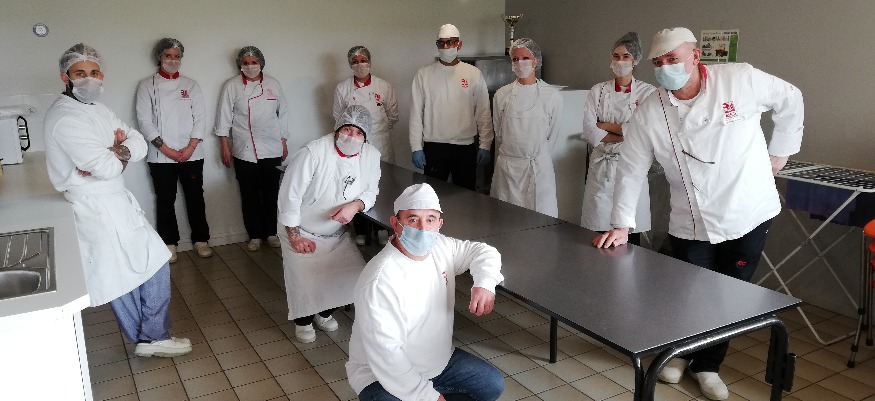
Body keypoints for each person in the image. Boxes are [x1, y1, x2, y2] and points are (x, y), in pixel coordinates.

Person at [593, 27, 804, 400]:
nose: (665, 68)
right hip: (691, 218)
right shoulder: (650, 111)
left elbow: (791, 98)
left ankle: (708, 365)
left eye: (673, 59)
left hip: (749, 211)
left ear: (695, 56)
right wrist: (621, 224)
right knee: (686, 293)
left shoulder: (739, 79)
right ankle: (679, 354)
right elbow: (631, 168)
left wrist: (781, 151)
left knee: (728, 295)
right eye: (659, 62)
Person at [44, 43, 191, 357]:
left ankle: (150, 337)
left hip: (114, 199)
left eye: (94, 72)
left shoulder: (99, 109)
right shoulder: (65, 117)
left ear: (102, 75)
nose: (89, 79)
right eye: (80, 73)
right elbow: (107, 167)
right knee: (120, 276)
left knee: (147, 263)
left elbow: (138, 142)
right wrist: (115, 154)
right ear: (65, 77)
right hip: (95, 206)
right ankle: (151, 338)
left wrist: (115, 152)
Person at [346, 183, 506, 401]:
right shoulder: (380, 280)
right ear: (395, 223)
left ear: (440, 224)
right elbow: (387, 356)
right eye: (413, 219)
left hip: (437, 363)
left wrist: (485, 283)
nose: (422, 228)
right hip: (380, 374)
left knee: (491, 385)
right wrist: (427, 396)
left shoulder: (441, 246)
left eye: (430, 219)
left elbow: (483, 251)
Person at [277, 105, 381, 344]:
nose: (352, 137)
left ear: (366, 137)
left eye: (359, 133)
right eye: (347, 129)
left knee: (350, 276)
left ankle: (324, 314)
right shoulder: (313, 153)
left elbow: (371, 191)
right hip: (301, 230)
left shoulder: (371, 156)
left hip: (335, 233)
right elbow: (289, 195)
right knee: (306, 283)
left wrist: (355, 205)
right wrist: (295, 235)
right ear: (337, 129)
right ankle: (303, 322)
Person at [136, 38, 212, 263]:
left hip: (192, 153)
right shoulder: (147, 85)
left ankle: (201, 240)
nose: (173, 60)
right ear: (159, 57)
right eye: (168, 56)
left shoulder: (191, 85)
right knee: (165, 199)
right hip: (161, 156)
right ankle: (169, 243)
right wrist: (166, 149)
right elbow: (144, 121)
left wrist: (190, 147)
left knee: (195, 197)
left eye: (177, 56)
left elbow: (200, 118)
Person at [580, 32, 656, 245]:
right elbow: (590, 130)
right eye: (616, 56)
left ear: (636, 60)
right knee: (598, 229)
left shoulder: (648, 93)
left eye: (626, 56)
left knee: (629, 232)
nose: (620, 61)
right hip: (602, 167)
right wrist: (626, 131)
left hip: (631, 165)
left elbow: (643, 131)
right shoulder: (598, 91)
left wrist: (605, 126)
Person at [215, 46, 289, 251]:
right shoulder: (232, 86)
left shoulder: (273, 84)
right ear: (239, 65)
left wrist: (283, 141)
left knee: (271, 193)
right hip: (244, 148)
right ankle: (254, 235)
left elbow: (282, 114)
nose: (250, 66)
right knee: (249, 195)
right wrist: (224, 146)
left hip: (272, 147)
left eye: (254, 62)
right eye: (245, 63)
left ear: (261, 63)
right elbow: (223, 116)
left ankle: (272, 232)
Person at [410, 23, 493, 191]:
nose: (446, 47)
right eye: (441, 43)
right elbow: (416, 113)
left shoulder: (472, 73)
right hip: (434, 146)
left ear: (459, 44)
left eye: (451, 42)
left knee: (465, 195)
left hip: (465, 146)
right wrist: (416, 147)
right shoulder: (424, 74)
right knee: (433, 195)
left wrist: (485, 144)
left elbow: (483, 112)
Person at [332, 45, 398, 246]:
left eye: (363, 60)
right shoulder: (343, 89)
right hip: (354, 145)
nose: (360, 64)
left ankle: (382, 229)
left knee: (383, 187)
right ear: (350, 64)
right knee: (356, 186)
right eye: (355, 61)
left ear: (370, 62)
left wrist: (377, 132)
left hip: (380, 143)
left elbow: (393, 115)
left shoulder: (383, 86)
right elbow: (338, 117)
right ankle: (361, 230)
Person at [490, 38, 563, 217]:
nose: (520, 63)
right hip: (508, 168)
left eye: (525, 58)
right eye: (515, 59)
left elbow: (553, 134)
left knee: (541, 219)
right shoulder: (502, 95)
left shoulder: (551, 96)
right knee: (506, 218)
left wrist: (534, 154)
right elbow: (499, 131)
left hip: (537, 168)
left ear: (535, 61)